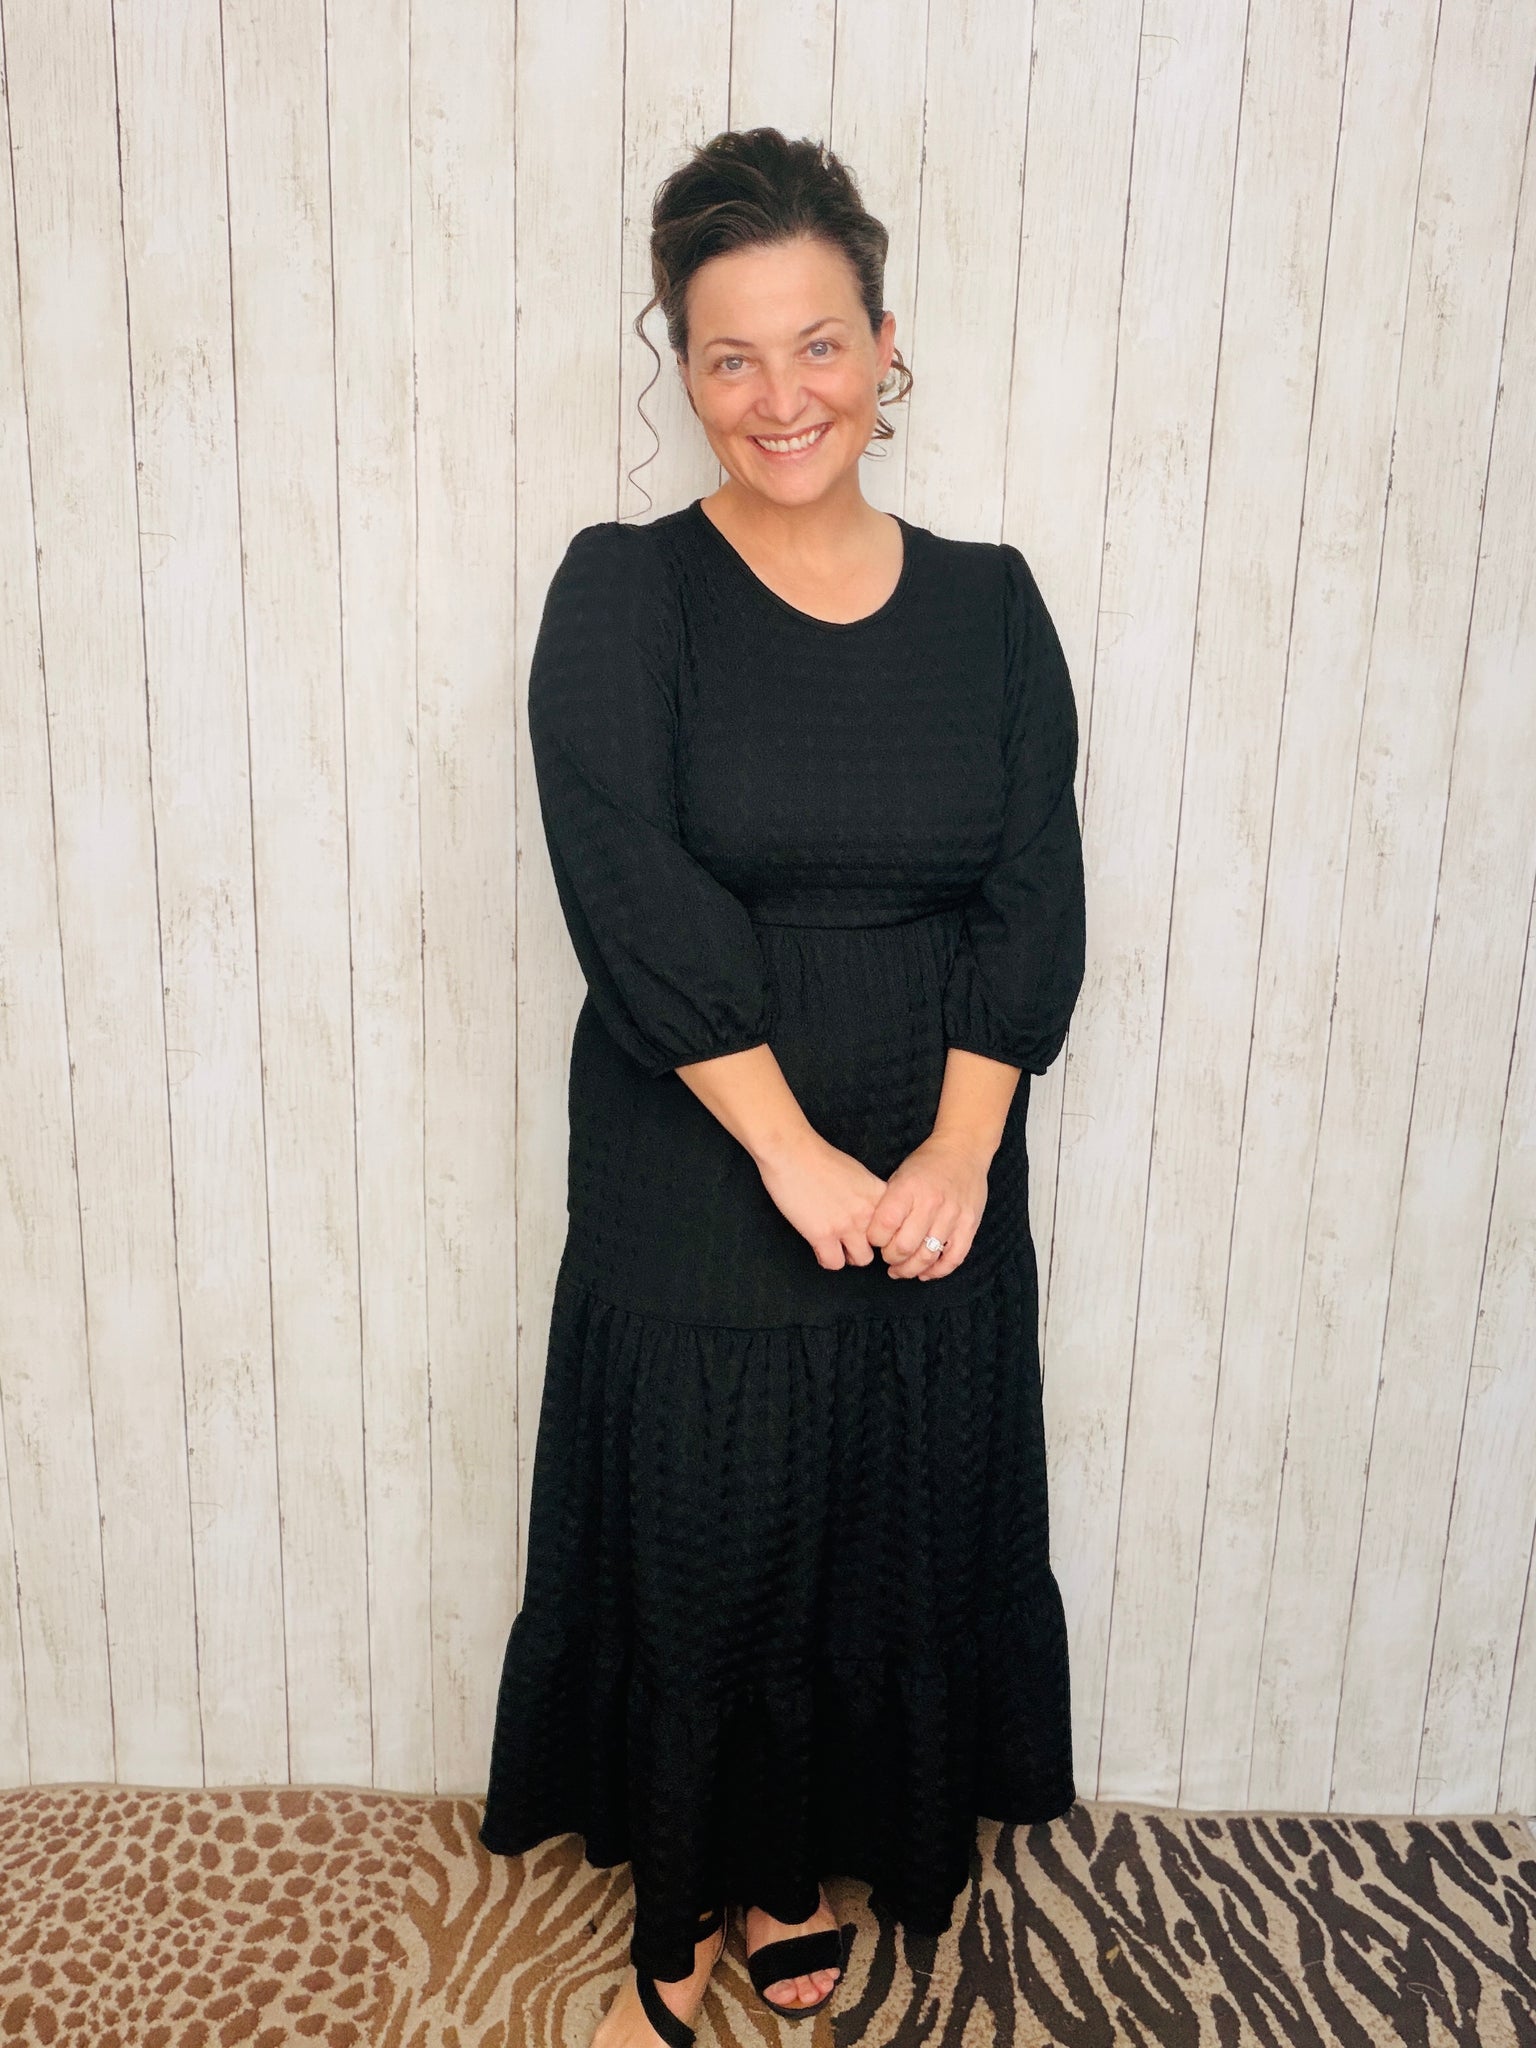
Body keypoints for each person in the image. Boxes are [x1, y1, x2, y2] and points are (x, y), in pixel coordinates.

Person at [478, 127, 1087, 2048]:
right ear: (680, 365)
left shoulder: (993, 603)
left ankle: (804, 1859)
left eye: (818, 345)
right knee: (719, 1531)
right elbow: (626, 886)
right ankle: (691, 1894)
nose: (779, 396)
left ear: (885, 346)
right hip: (703, 1149)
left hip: (934, 1160)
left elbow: (1032, 889)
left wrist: (959, 1151)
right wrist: (796, 1153)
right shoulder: (624, 591)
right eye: (728, 356)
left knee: (887, 1515)